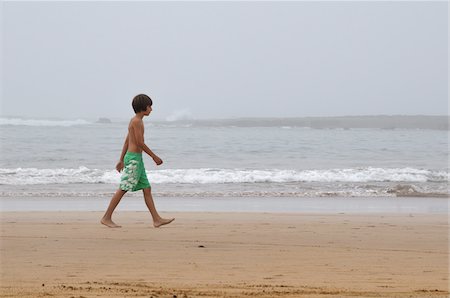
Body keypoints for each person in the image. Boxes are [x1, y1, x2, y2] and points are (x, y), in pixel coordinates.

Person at [101, 94, 175, 228]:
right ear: (143, 108)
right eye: (150, 106)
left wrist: (121, 159)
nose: (151, 109)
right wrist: (154, 156)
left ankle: (156, 219)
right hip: (134, 159)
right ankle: (106, 217)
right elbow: (140, 142)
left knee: (147, 188)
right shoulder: (137, 122)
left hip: (135, 159)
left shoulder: (134, 120)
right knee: (123, 188)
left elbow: (127, 140)